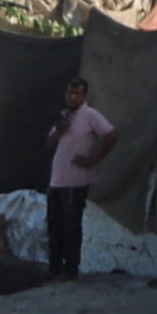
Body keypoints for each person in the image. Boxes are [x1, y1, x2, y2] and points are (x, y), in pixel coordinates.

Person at [41, 73, 114, 280]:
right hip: (57, 179)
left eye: (77, 94)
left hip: (76, 179)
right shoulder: (64, 116)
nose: (72, 97)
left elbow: (111, 135)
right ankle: (54, 267)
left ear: (85, 96)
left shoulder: (90, 115)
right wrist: (59, 130)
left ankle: (71, 269)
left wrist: (94, 160)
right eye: (70, 93)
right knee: (54, 224)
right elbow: (50, 143)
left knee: (71, 225)